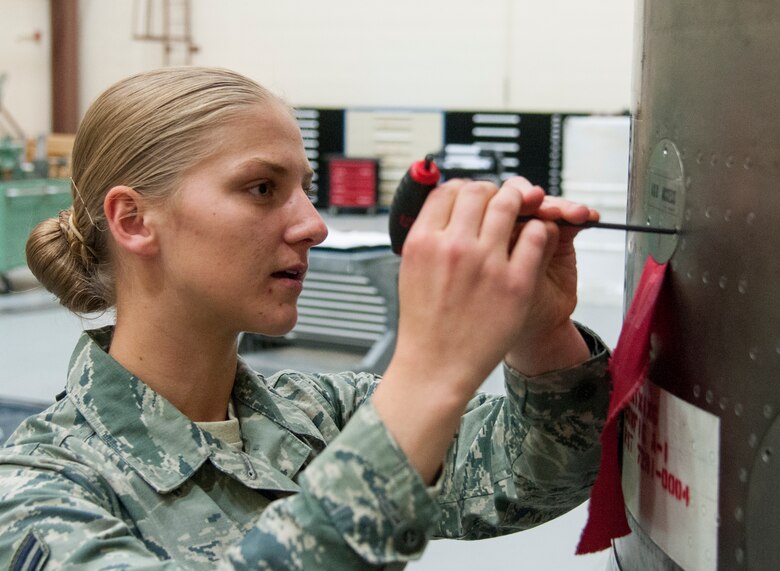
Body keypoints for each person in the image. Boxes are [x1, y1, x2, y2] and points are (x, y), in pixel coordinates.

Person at [0, 67, 610, 569]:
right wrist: (430, 373)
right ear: (134, 221)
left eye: (304, 188)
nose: (313, 224)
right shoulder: (40, 491)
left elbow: (539, 472)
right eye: (262, 188)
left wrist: (540, 332)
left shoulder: (314, 414)